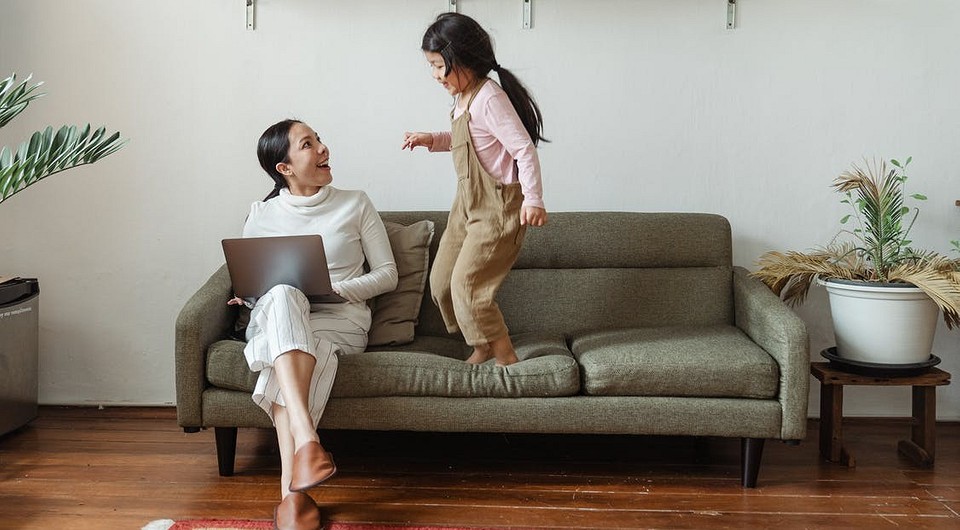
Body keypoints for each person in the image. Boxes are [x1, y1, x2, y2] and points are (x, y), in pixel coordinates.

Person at [229, 119, 398, 530]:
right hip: (280, 318)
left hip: (340, 319)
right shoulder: (261, 214)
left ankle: (293, 489)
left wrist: (338, 289)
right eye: (309, 144)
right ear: (284, 167)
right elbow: (254, 283)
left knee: (296, 350)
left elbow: (388, 274)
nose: (323, 149)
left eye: (319, 140)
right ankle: (305, 454)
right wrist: (249, 296)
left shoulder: (355, 203)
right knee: (285, 294)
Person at [401, 12, 547, 367]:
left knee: (468, 289)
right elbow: (469, 138)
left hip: (497, 209)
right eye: (431, 67)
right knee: (441, 284)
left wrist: (534, 199)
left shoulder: (488, 97)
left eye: (440, 66)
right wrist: (432, 140)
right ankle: (480, 343)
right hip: (465, 206)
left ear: (464, 58)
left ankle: (506, 359)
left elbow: (522, 148)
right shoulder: (463, 99)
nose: (436, 76)